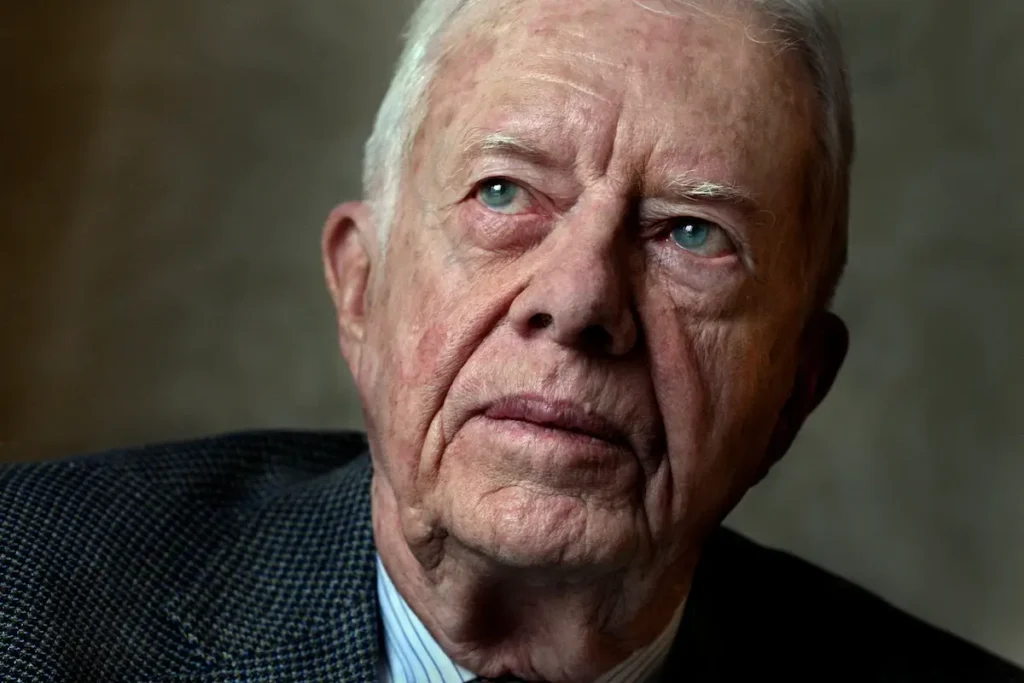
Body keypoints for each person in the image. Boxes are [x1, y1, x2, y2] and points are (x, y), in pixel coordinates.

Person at [1, 0, 1021, 681]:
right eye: (504, 191)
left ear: (795, 388)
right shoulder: (25, 593)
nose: (579, 300)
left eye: (692, 233)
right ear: (361, 285)